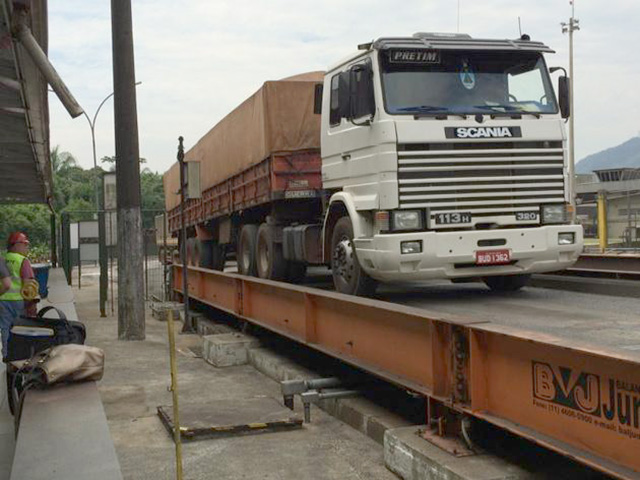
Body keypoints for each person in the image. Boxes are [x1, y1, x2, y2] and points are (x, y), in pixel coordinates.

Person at [0, 232, 35, 358]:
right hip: (19, 301)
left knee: (5, 328)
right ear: (16, 245)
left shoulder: (3, 258)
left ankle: (6, 354)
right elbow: (28, 285)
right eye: (25, 244)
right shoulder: (22, 261)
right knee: (20, 328)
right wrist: (31, 303)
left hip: (3, 299)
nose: (26, 248)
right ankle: (19, 355)